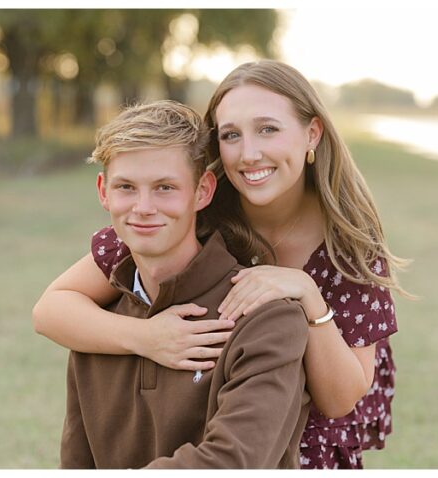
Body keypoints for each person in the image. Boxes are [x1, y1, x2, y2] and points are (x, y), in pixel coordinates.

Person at [34, 60, 407, 469]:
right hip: (211, 422)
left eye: (268, 128)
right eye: (231, 135)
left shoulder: (347, 246)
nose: (249, 153)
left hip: (305, 445)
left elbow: (339, 399)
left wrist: (308, 294)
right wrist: (147, 336)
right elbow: (51, 310)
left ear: (311, 133)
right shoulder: (194, 216)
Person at [58, 100, 311, 469]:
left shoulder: (269, 321)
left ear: (203, 191)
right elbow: (77, 463)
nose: (143, 207)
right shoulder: (97, 324)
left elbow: (231, 464)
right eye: (126, 187)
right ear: (103, 191)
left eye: (164, 187)